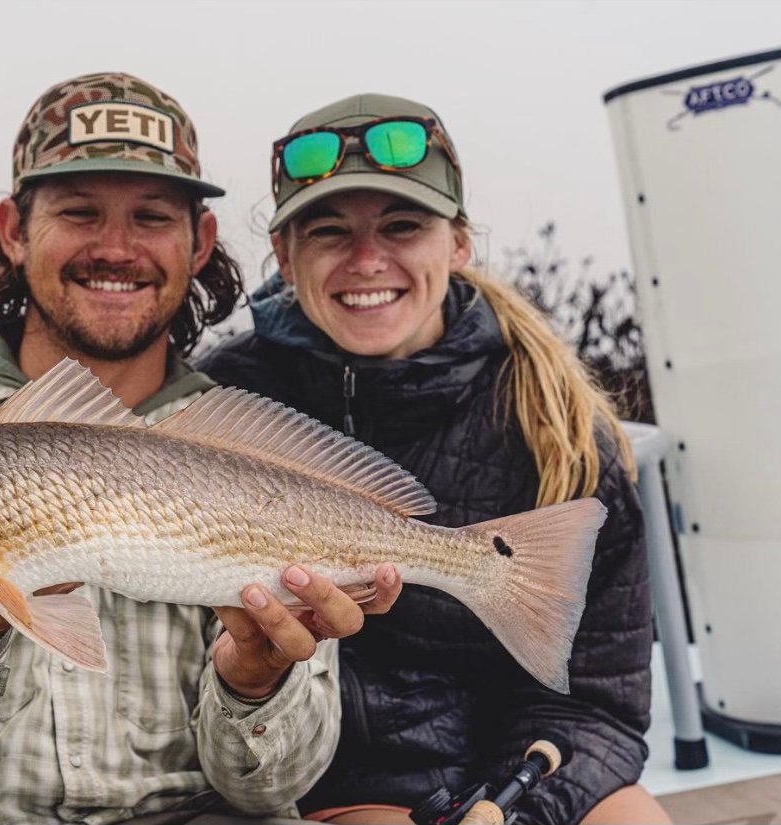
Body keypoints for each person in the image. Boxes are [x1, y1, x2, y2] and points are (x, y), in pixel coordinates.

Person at [0, 72, 402, 825]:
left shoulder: (258, 457)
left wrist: (256, 679)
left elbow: (272, 789)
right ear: (14, 230)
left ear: (199, 241)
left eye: (151, 216)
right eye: (80, 213)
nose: (115, 249)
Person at [197, 94, 671, 824]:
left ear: (457, 244)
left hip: (527, 774)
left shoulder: (558, 417)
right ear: (285, 258)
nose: (365, 260)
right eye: (328, 231)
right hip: (351, 780)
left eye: (403, 226)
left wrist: (513, 808)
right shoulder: (229, 398)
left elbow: (598, 699)